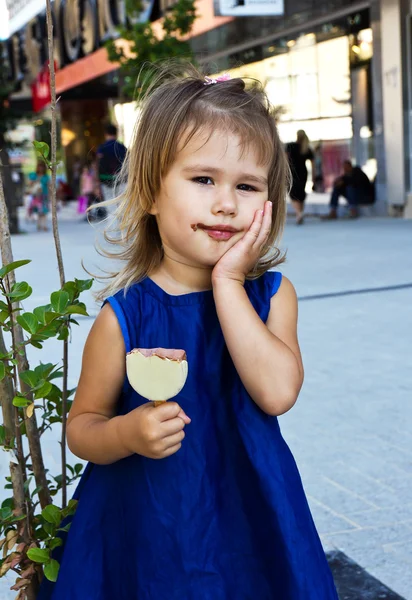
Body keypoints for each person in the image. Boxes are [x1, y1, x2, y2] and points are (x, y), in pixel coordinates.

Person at [38, 65, 338, 600]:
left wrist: (227, 282)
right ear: (152, 192)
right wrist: (126, 434)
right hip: (149, 529)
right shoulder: (125, 318)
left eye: (247, 186)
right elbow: (82, 427)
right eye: (204, 180)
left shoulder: (271, 298)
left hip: (249, 522)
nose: (226, 203)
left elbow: (276, 393)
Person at [286, 129, 315, 225]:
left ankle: (299, 213)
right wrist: (313, 177)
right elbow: (313, 164)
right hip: (303, 173)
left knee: (293, 193)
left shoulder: (291, 146)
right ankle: (300, 213)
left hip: (293, 172)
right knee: (300, 193)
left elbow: (285, 160)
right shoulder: (306, 148)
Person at [96, 123, 127, 206]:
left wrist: (97, 183)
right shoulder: (122, 147)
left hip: (105, 179)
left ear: (106, 134)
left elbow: (98, 165)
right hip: (121, 179)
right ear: (116, 133)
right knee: (122, 206)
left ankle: (113, 219)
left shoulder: (101, 148)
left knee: (110, 206)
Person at [27, 161, 50, 231]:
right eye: (39, 167)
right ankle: (39, 224)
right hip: (36, 196)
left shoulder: (46, 177)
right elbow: (29, 184)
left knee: (44, 210)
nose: (41, 168)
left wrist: (50, 196)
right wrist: (35, 181)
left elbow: (49, 186)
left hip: (44, 195)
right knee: (39, 211)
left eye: (42, 167)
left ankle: (44, 225)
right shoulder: (33, 175)